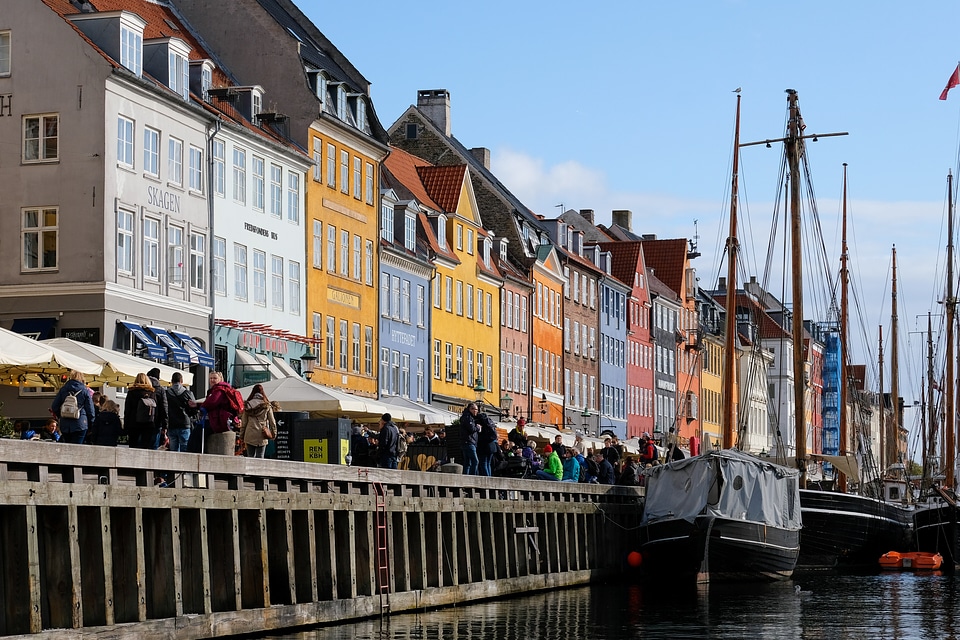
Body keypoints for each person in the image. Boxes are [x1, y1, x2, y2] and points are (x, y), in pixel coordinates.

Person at [201, 371, 242, 456]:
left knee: (197, 434)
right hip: (224, 420)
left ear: (220, 379)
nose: (212, 380)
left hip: (219, 421)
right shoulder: (223, 389)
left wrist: (199, 406)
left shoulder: (219, 390)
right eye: (210, 378)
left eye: (215, 378)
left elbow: (210, 403)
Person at [50, 370, 95, 444]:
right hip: (80, 423)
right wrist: (91, 424)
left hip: (65, 424)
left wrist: (61, 416)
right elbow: (90, 410)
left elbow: (54, 406)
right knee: (77, 448)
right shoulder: (84, 390)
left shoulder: (63, 389)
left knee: (67, 447)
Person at [239, 383, 276, 458]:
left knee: (250, 456)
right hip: (262, 433)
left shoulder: (247, 405)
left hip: (249, 434)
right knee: (260, 456)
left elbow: (244, 423)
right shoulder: (267, 405)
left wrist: (241, 436)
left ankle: (250, 470)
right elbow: (273, 422)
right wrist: (274, 434)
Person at [124, 372, 159, 449]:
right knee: (145, 447)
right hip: (148, 424)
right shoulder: (152, 393)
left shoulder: (131, 392)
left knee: (133, 447)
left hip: (133, 423)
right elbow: (156, 409)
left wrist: (126, 426)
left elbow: (127, 410)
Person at [166, 372, 196, 453]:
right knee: (185, 448)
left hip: (171, 424)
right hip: (184, 424)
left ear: (171, 381)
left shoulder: (167, 393)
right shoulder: (188, 393)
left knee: (173, 450)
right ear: (181, 380)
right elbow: (194, 408)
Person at [146, 368, 169, 448]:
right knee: (154, 447)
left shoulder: (142, 388)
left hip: (142, 422)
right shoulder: (160, 390)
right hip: (156, 422)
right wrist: (165, 425)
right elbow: (164, 408)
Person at [459, 402, 480, 475]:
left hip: (466, 442)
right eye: (473, 409)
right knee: (475, 461)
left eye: (476, 409)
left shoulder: (466, 417)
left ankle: (466, 477)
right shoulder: (468, 417)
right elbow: (471, 429)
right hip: (469, 442)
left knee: (467, 462)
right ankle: (472, 478)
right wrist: (477, 427)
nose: (475, 411)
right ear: (469, 409)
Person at [476, 411, 499, 476]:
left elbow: (480, 435)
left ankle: (487, 478)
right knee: (488, 463)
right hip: (492, 446)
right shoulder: (490, 423)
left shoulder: (481, 424)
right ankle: (489, 477)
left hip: (484, 446)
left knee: (483, 463)